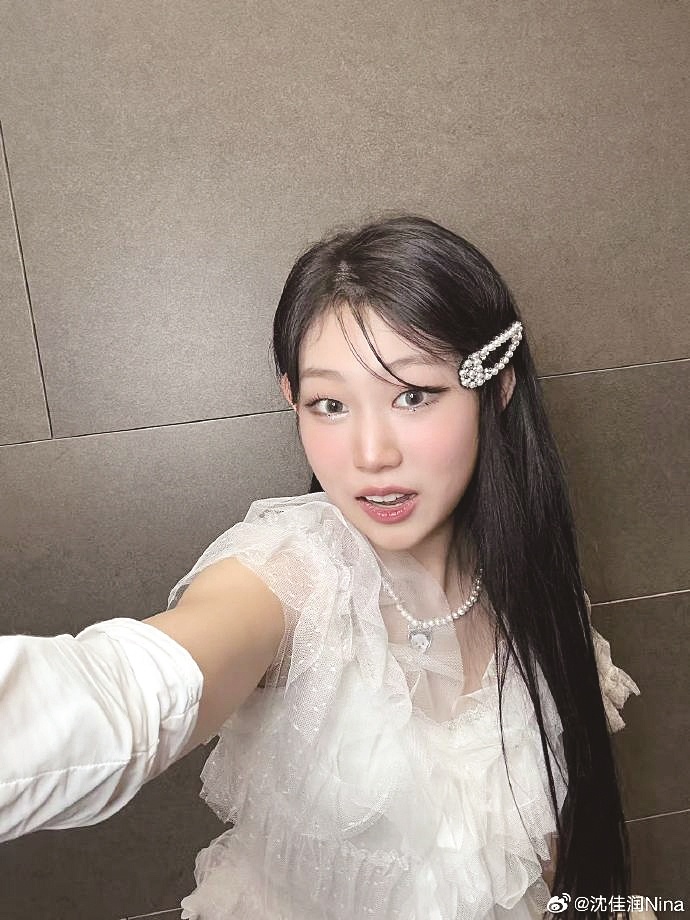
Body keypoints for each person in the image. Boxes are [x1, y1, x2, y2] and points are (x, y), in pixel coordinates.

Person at [1, 214, 649, 919]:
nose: (371, 454)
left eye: (413, 395)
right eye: (330, 404)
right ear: (294, 400)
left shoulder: (533, 585)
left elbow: (547, 862)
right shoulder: (293, 574)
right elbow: (126, 696)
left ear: (496, 390)